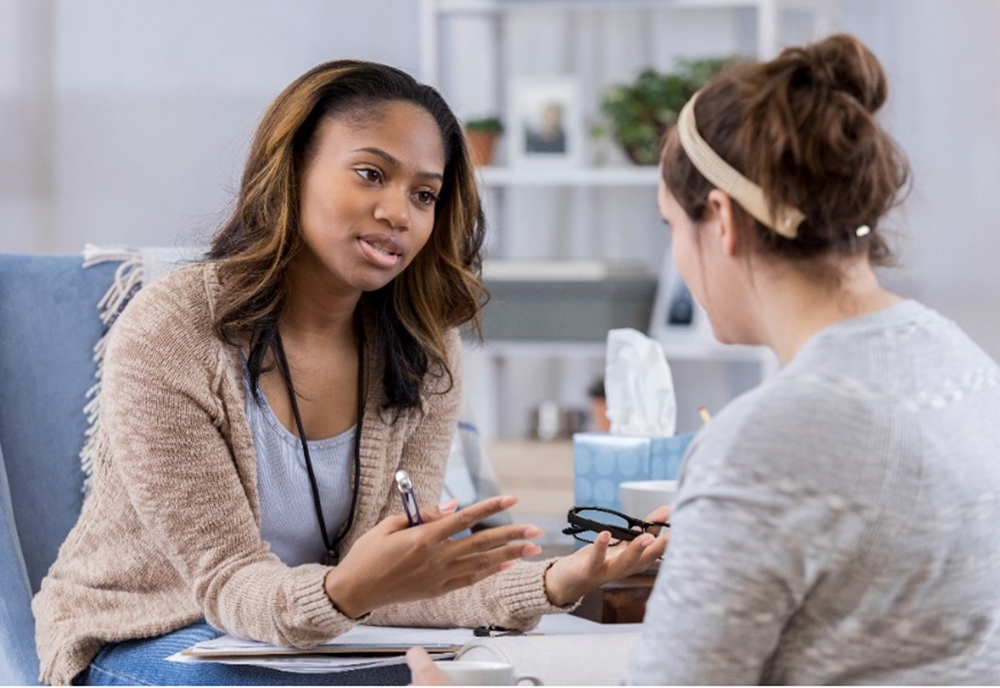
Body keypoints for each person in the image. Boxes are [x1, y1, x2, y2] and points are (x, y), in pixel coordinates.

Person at [31, 60, 666, 686]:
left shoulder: (423, 346)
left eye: (424, 194)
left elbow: (390, 586)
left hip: (317, 633)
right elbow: (228, 582)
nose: (400, 213)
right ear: (294, 170)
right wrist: (349, 589)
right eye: (370, 174)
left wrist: (558, 580)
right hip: (145, 630)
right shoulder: (173, 331)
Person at [409, 33, 1000, 685]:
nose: (680, 263)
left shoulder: (769, 437)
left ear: (721, 219)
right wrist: (730, 533)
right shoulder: (968, 367)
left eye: (671, 227)